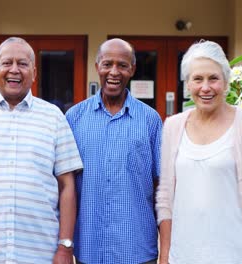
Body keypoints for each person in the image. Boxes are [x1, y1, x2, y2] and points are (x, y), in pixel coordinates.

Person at [0, 37, 83, 264]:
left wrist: (65, 246)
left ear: (34, 72)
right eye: (6, 63)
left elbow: (67, 186)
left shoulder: (54, 117)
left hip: (41, 254)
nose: (14, 70)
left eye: (22, 63)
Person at [66, 38, 163, 264]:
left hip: (137, 250)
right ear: (97, 66)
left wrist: (166, 247)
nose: (114, 72)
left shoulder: (150, 120)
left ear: (133, 69)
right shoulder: (74, 118)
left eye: (122, 65)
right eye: (107, 64)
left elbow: (162, 188)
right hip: (89, 249)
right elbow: (65, 185)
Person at [156, 41, 242, 264]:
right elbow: (165, 196)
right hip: (183, 255)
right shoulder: (173, 126)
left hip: (234, 254)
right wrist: (165, 255)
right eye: (198, 79)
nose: (205, 87)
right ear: (187, 84)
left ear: (226, 82)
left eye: (213, 78)